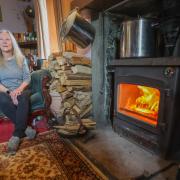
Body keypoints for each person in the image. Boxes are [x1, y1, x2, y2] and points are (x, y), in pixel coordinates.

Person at [0, 29, 36, 155]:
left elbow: (27, 78)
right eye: (1, 39)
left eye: (7, 39)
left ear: (12, 42)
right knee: (2, 99)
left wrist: (18, 90)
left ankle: (16, 135)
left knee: (24, 97)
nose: (4, 42)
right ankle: (25, 128)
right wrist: (11, 92)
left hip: (22, 89)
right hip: (5, 91)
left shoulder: (21, 58)